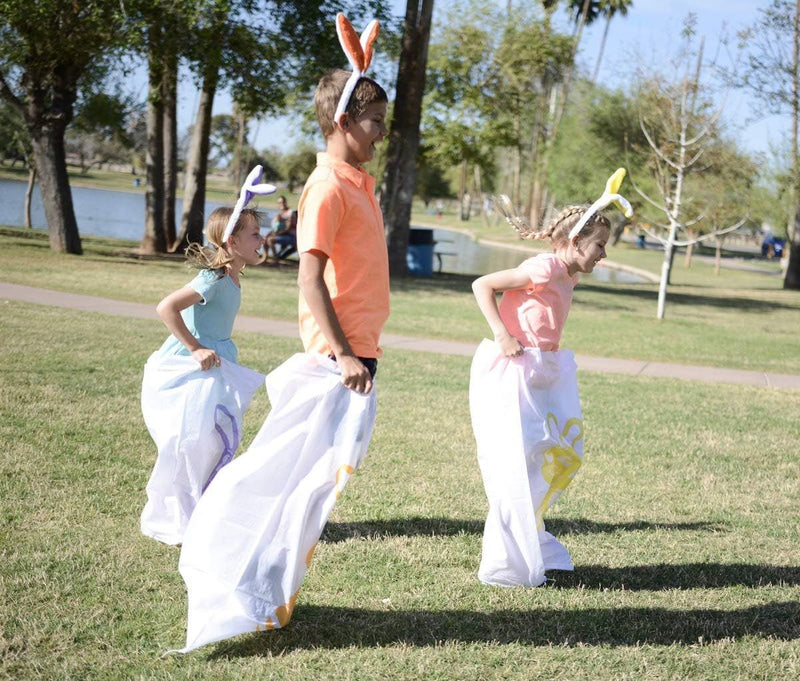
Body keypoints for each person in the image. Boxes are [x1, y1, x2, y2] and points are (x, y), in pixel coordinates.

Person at [175, 13, 389, 652]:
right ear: (343, 122)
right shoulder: (327, 187)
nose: (383, 133)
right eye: (375, 121)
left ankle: (267, 590)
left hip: (358, 357)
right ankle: (228, 577)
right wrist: (345, 353)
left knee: (313, 489)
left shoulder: (359, 183)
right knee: (284, 479)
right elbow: (309, 281)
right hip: (337, 361)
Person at [469, 170, 632, 588]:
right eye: (599, 246)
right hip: (513, 372)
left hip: (543, 371)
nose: (603, 255)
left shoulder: (568, 273)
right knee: (517, 463)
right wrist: (502, 335)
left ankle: (531, 539)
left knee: (556, 454)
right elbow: (482, 284)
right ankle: (508, 561)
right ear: (576, 242)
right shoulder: (543, 267)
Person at [140, 168, 276, 545]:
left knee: (210, 441)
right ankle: (178, 515)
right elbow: (166, 307)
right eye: (253, 234)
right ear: (231, 241)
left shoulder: (233, 277)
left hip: (215, 369)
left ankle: (200, 508)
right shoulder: (213, 278)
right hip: (192, 371)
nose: (260, 239)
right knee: (191, 441)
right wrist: (196, 348)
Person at [265, 195, 297, 262]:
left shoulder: (291, 213)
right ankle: (265, 257)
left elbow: (288, 229)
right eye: (279, 203)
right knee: (265, 237)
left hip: (291, 236)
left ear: (285, 202)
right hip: (283, 234)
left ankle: (275, 258)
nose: (281, 204)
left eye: (282, 202)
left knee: (270, 240)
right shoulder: (280, 214)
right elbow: (276, 227)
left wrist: (276, 234)